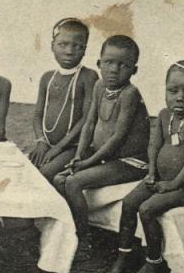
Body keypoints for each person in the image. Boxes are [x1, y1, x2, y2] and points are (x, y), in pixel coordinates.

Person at [107, 61, 184, 273]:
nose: (180, 97)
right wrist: (151, 172)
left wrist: (174, 184)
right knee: (129, 203)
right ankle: (124, 256)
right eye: (173, 90)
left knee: (148, 209)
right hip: (163, 179)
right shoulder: (164, 115)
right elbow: (154, 146)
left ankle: (153, 262)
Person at [54, 35, 150, 261]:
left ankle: (83, 240)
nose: (114, 69)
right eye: (109, 62)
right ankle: (74, 230)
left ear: (134, 70)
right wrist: (78, 156)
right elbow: (89, 124)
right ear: (99, 64)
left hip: (130, 162)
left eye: (123, 65)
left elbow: (118, 138)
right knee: (60, 179)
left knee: (74, 181)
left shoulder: (130, 94)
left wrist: (87, 163)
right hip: (104, 158)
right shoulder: (99, 86)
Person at [29, 19, 99, 181]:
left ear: (84, 50)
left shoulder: (88, 76)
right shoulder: (47, 78)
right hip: (47, 144)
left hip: (74, 148)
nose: (69, 51)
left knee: (44, 174)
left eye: (77, 46)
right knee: (27, 168)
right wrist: (41, 141)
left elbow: (87, 118)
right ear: (52, 45)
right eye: (63, 44)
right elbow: (38, 114)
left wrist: (59, 148)